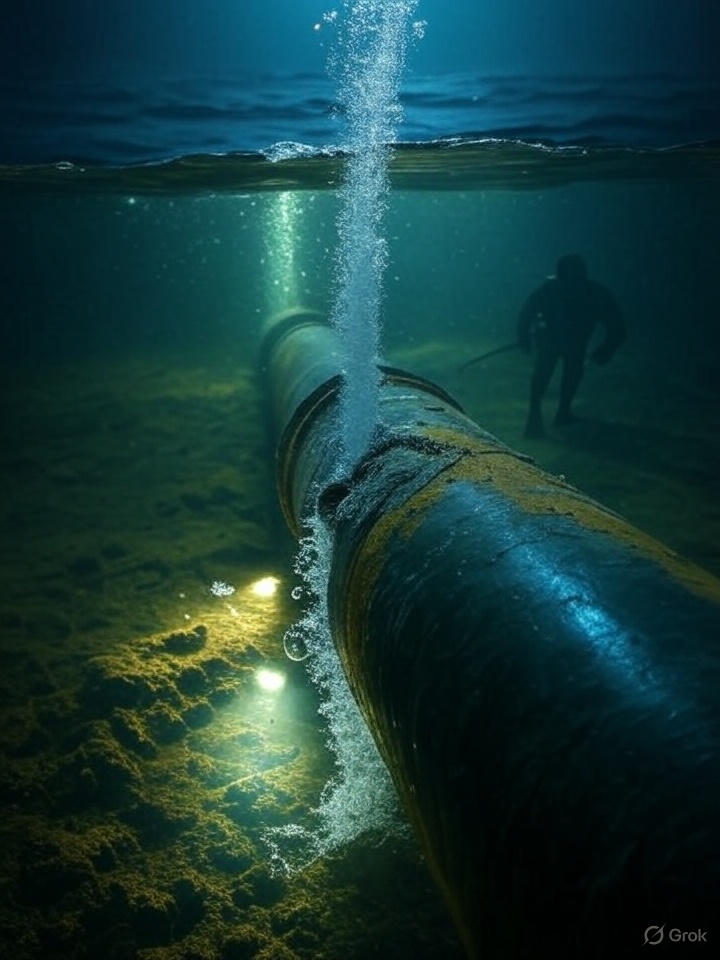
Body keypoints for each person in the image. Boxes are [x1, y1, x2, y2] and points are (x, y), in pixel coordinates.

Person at [517, 254, 625, 438]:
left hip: (573, 343)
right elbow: (527, 312)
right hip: (553, 340)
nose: (571, 287)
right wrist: (523, 336)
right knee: (545, 373)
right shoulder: (554, 290)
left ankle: (561, 412)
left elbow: (617, 326)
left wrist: (607, 348)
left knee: (568, 373)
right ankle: (538, 415)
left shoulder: (594, 294)